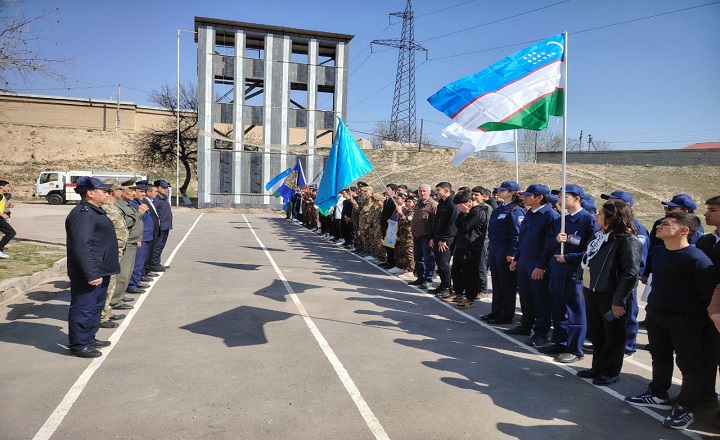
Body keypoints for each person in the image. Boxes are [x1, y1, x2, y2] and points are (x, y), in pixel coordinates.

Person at [625, 212, 717, 430]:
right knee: (659, 355)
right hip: (657, 315)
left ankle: (686, 406)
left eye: (666, 224)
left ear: (684, 230)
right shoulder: (658, 252)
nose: (659, 226)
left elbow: (708, 294)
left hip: (686, 321)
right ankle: (658, 393)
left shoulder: (697, 259)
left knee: (688, 364)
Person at [576, 200, 642, 386]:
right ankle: (597, 367)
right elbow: (587, 261)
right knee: (597, 333)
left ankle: (610, 371)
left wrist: (619, 300)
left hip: (612, 295)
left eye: (601, 213)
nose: (597, 215)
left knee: (613, 335)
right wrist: (584, 285)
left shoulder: (627, 240)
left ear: (612, 218)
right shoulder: (599, 235)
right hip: (593, 291)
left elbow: (630, 273)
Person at [65, 177, 120, 358]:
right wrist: (91, 272)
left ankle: (89, 337)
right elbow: (82, 245)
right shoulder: (84, 214)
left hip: (100, 268)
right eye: (103, 191)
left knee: (96, 306)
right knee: (84, 307)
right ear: (90, 193)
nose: (106, 193)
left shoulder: (95, 211)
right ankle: (79, 344)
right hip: (90, 271)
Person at [544, 184, 598, 363]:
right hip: (557, 271)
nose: (559, 199)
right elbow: (549, 244)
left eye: (564, 196)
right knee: (557, 308)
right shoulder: (560, 220)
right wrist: (555, 240)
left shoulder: (588, 221)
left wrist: (569, 257)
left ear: (577, 199)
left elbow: (592, 250)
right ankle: (560, 341)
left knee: (575, 312)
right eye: (559, 196)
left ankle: (575, 349)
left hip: (574, 273)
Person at [508, 184, 559, 347]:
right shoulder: (530, 213)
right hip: (524, 260)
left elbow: (550, 244)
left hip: (537, 262)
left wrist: (541, 265)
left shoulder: (550, 216)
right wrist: (517, 258)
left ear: (539, 198)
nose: (525, 197)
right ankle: (526, 324)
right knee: (525, 295)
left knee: (540, 298)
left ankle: (541, 332)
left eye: (529, 195)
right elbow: (523, 238)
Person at [600, 190, 650, 357]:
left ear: (626, 205)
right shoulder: (610, 227)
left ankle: (627, 346)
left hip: (626, 277)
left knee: (628, 311)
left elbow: (637, 257)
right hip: (612, 278)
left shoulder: (635, 227)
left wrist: (637, 275)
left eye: (614, 202)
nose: (609, 205)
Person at [483, 181, 524, 324]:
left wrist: (513, 252)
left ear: (511, 193)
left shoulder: (515, 210)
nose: (499, 192)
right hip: (496, 248)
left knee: (507, 283)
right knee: (497, 282)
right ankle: (496, 311)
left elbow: (517, 234)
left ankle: (506, 314)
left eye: (502, 190)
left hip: (506, 249)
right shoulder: (500, 208)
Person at [449, 190, 488, 309]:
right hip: (462, 245)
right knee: (458, 270)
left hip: (472, 246)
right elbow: (457, 224)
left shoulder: (478, 212)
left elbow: (465, 227)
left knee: (470, 273)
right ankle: (459, 293)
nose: (459, 209)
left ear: (469, 202)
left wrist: (465, 213)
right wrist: (463, 214)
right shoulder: (467, 212)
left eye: (460, 206)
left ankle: (471, 298)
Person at [99, 180, 129, 329]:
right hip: (110, 251)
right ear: (113, 191)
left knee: (111, 283)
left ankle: (107, 311)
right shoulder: (104, 209)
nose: (122, 191)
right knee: (108, 283)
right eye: (120, 189)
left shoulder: (112, 207)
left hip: (117, 250)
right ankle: (102, 316)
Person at [429, 182, 458, 296]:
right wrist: (432, 237)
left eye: (438, 190)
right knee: (439, 262)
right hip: (438, 237)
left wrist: (445, 239)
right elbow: (436, 222)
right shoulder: (441, 203)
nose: (437, 192)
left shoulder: (452, 204)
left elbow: (452, 223)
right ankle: (442, 285)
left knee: (443, 263)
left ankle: (447, 287)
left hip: (447, 239)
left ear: (446, 191)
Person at [409, 184, 438, 289]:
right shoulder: (418, 204)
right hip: (417, 235)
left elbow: (436, 223)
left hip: (427, 236)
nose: (422, 193)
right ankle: (420, 277)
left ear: (429, 192)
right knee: (418, 258)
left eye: (424, 191)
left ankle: (428, 279)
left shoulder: (433, 205)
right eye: (420, 191)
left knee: (428, 258)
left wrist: (433, 237)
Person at [150, 180, 173, 272]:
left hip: (166, 226)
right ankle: (154, 264)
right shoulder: (156, 199)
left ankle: (157, 263)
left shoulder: (163, 198)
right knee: (157, 246)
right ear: (157, 187)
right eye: (163, 187)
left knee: (161, 246)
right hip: (160, 227)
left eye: (166, 187)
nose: (165, 189)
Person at [379, 184, 398, 268]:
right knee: (386, 243)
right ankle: (389, 260)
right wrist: (381, 224)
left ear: (393, 191)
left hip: (390, 225)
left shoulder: (394, 201)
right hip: (384, 225)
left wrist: (389, 226)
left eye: (388, 189)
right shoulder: (386, 200)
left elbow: (392, 215)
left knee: (391, 244)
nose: (386, 190)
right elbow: (383, 214)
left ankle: (392, 262)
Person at [0, 179, 16, 259]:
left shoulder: (2, 196)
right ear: (1, 187)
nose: (8, 188)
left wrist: (7, 207)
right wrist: (2, 214)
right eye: (7, 186)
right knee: (11, 233)